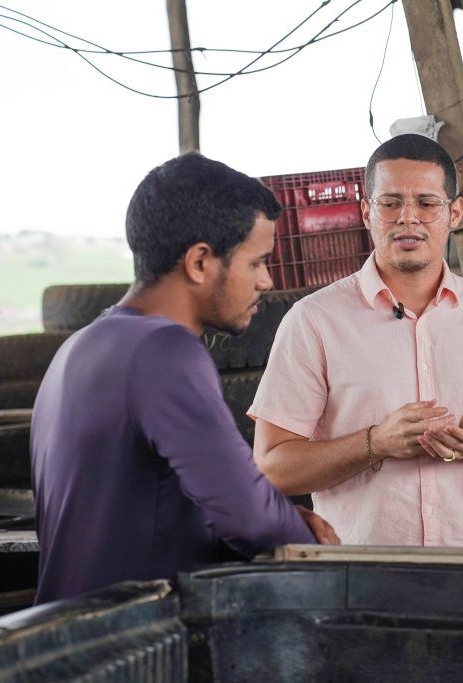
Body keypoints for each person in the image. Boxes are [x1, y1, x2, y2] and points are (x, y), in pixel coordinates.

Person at [31, 153, 339, 604]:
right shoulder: (164, 351)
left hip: (72, 632)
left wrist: (281, 517)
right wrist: (309, 542)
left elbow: (141, 513)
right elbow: (249, 517)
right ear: (199, 262)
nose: (267, 282)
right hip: (134, 634)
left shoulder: (81, 345)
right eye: (256, 263)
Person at [250, 133, 463, 547]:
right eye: (390, 203)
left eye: (427, 204)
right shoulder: (314, 320)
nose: (407, 218)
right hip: (364, 574)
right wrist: (376, 442)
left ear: (455, 212)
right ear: (366, 212)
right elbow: (272, 467)